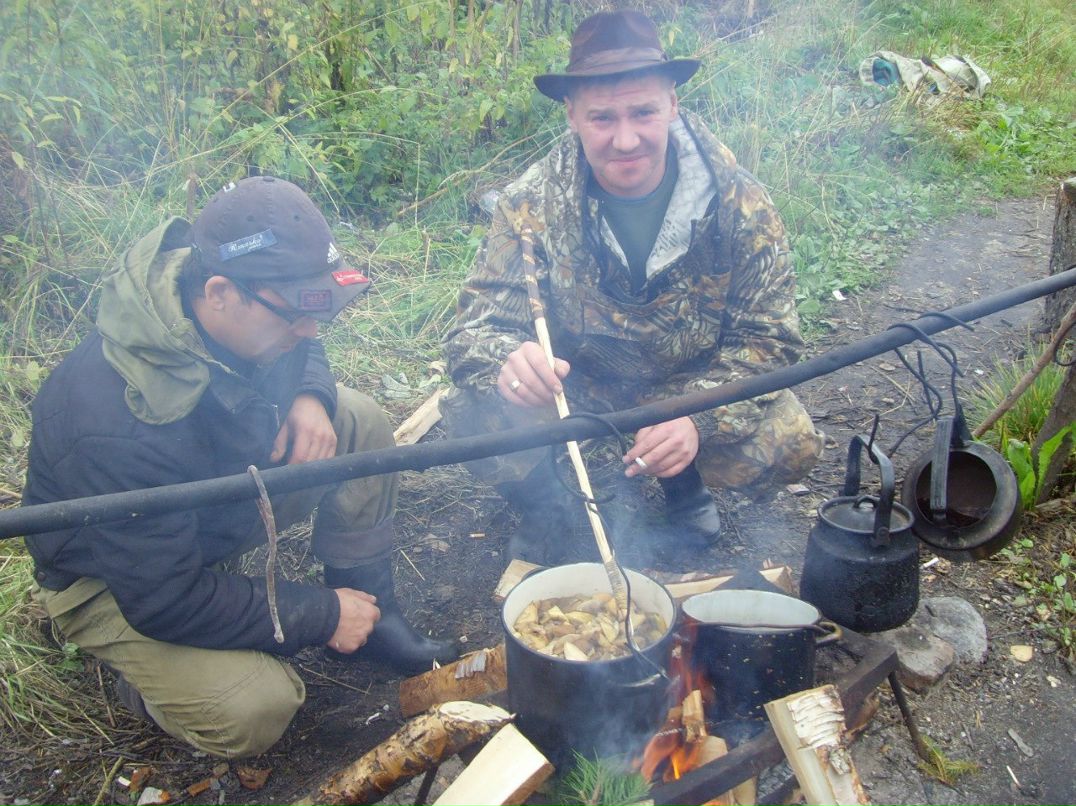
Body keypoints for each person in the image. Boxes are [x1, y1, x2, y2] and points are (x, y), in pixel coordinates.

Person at [23, 176, 457, 758]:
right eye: (295, 315)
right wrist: (318, 614)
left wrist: (309, 394)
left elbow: (305, 330)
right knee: (254, 710)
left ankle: (372, 613)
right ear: (221, 292)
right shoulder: (112, 416)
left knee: (359, 421)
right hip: (114, 578)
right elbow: (164, 598)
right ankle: (138, 679)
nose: (311, 328)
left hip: (214, 509)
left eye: (319, 307)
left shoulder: (244, 305)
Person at [441, 9, 823, 565]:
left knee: (791, 436)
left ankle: (682, 481)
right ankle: (545, 504)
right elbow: (475, 328)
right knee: (471, 411)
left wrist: (697, 418)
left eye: (643, 112)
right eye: (602, 117)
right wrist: (508, 360)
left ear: (672, 102)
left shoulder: (740, 203)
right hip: (579, 392)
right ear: (571, 114)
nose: (625, 140)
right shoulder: (528, 205)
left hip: (692, 387)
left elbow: (772, 342)